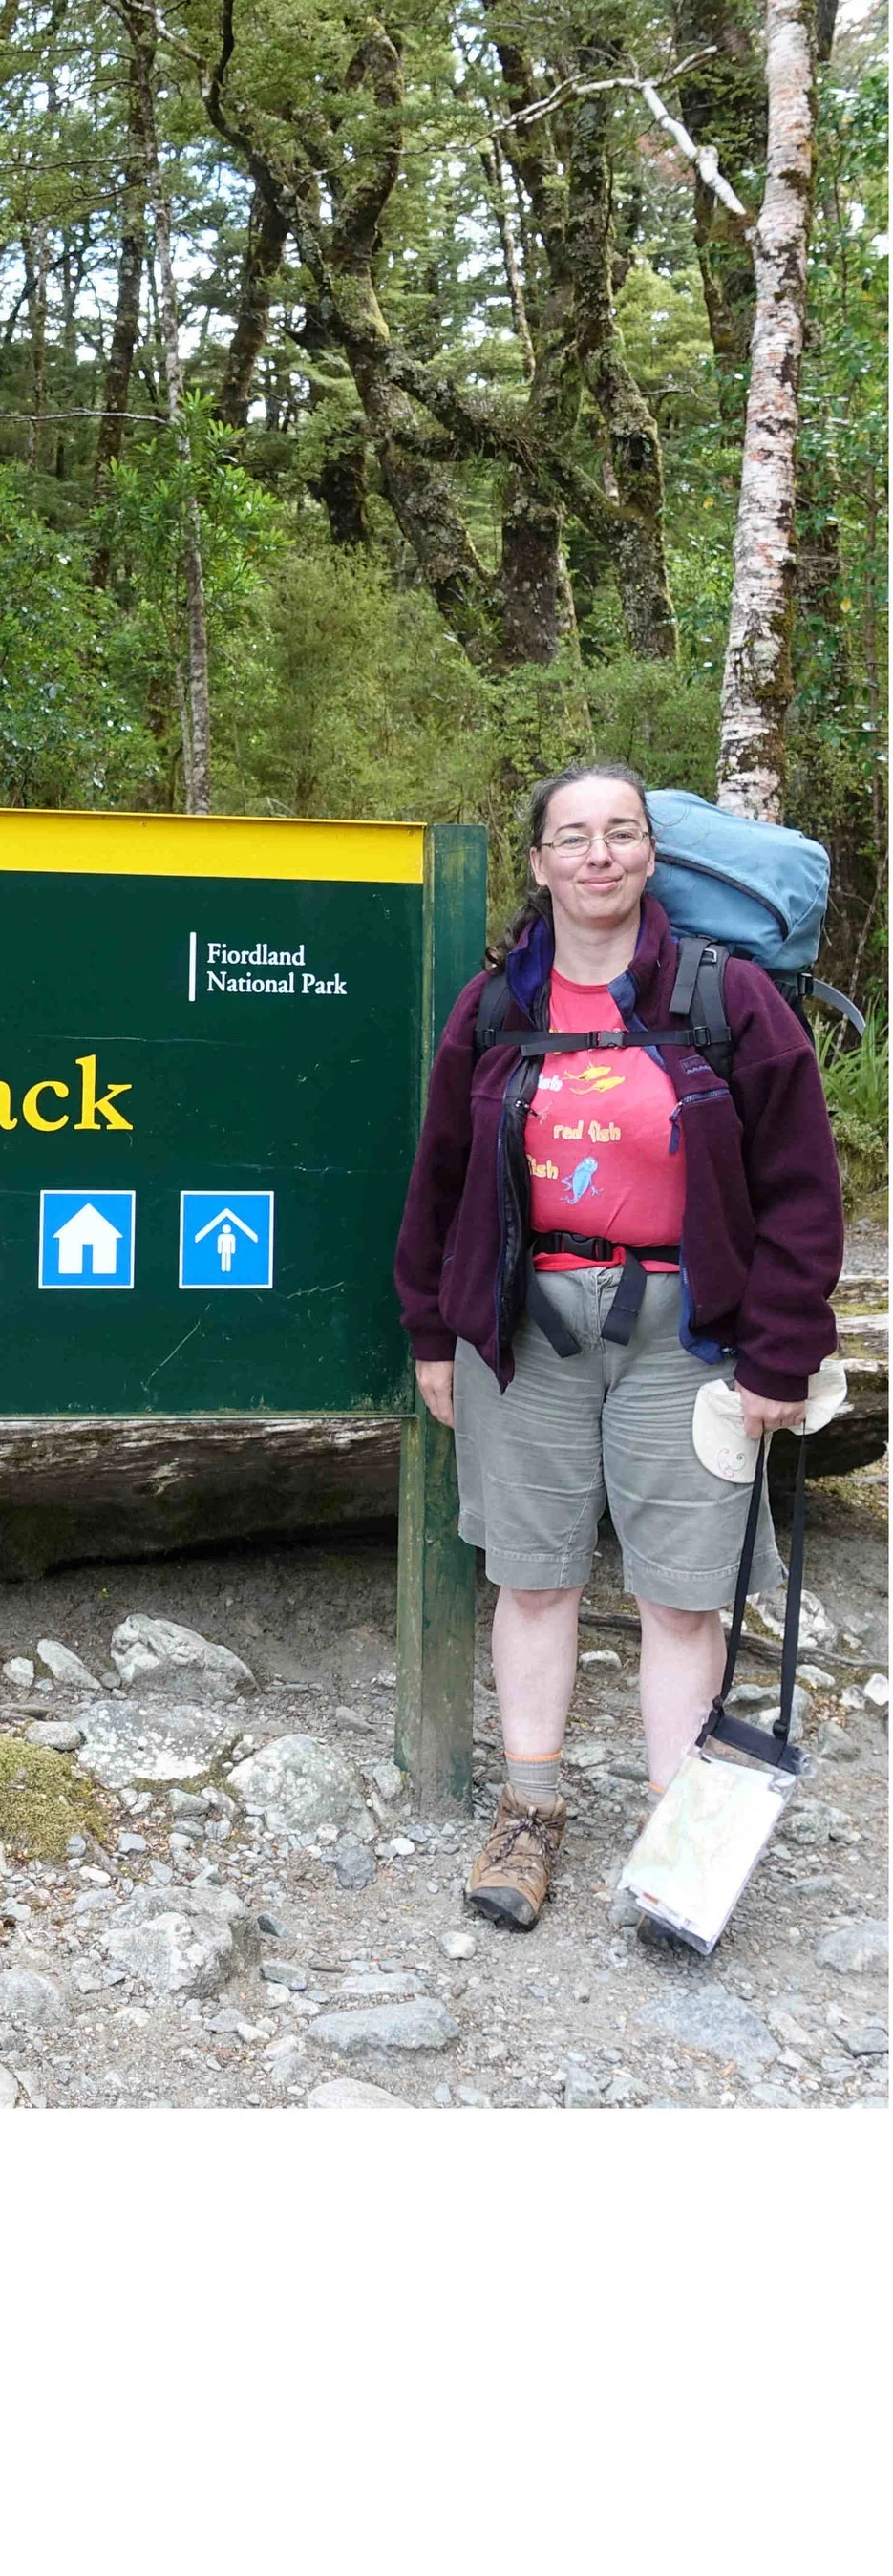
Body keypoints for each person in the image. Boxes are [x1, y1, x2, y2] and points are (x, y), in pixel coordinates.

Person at [394, 761, 842, 1930]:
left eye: (621, 833)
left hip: (684, 1338)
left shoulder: (727, 996)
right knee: (531, 1575)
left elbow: (800, 1188)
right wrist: (431, 1329)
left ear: (651, 854)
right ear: (537, 862)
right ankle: (529, 1814)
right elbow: (438, 1178)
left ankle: (672, 1835)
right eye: (573, 837)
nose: (598, 855)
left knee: (681, 1599)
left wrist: (779, 1354)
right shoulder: (495, 1006)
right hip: (522, 1331)